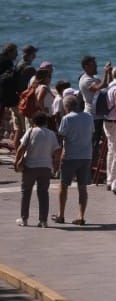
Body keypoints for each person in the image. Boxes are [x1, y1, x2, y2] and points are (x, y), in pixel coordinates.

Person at [54, 92, 94, 225]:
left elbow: (61, 137)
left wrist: (56, 156)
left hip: (71, 156)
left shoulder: (67, 118)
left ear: (66, 107)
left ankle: (61, 215)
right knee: (82, 188)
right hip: (86, 156)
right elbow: (91, 133)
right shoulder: (89, 117)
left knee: (63, 185)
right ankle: (81, 216)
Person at [15, 112, 61, 227]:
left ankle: (24, 219)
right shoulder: (51, 134)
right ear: (46, 122)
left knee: (26, 193)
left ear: (34, 122)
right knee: (43, 194)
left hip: (30, 167)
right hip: (46, 168)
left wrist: (16, 161)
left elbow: (21, 148)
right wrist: (56, 165)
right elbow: (57, 152)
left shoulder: (30, 131)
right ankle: (43, 221)